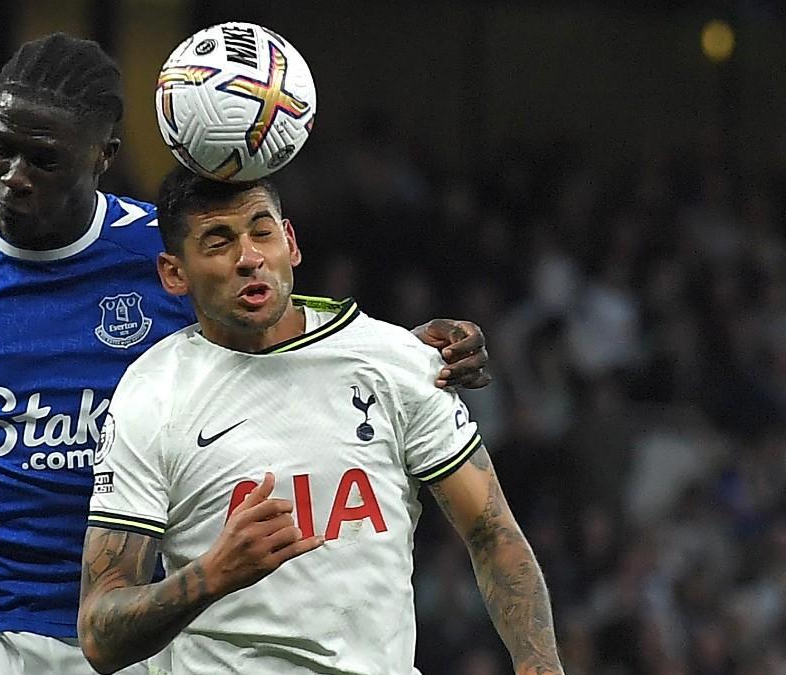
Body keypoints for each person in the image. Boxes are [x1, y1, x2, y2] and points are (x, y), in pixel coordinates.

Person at [0, 33, 492, 674]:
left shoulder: (166, 257)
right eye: (3, 147)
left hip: (142, 627)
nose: (14, 177)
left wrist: (404, 353)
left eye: (44, 161)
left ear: (104, 155)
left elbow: (276, 333)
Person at [78, 167, 562, 675]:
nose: (248, 259)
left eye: (262, 232)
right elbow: (99, 634)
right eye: (218, 243)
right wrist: (213, 574)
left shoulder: (396, 361)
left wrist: (542, 668)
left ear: (290, 242)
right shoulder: (152, 392)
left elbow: (491, 533)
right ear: (174, 274)